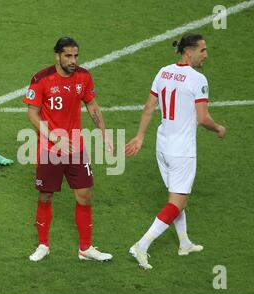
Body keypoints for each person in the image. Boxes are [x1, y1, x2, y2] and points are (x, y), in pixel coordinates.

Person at [125, 34, 226, 269]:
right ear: (189, 52)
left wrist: (140, 136)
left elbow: (149, 107)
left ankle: (184, 243)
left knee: (178, 197)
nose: (206, 55)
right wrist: (219, 128)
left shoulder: (163, 72)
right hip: (182, 151)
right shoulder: (197, 79)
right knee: (177, 202)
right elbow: (202, 118)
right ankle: (142, 245)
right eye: (203, 50)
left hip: (163, 146)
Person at [23, 37, 113, 262]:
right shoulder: (41, 78)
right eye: (68, 56)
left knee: (85, 195)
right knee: (46, 196)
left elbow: (92, 105)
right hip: (50, 148)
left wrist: (104, 131)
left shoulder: (83, 76)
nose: (73, 61)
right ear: (57, 56)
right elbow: (32, 113)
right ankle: (43, 245)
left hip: (76, 147)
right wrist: (53, 137)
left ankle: (85, 248)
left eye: (76, 56)